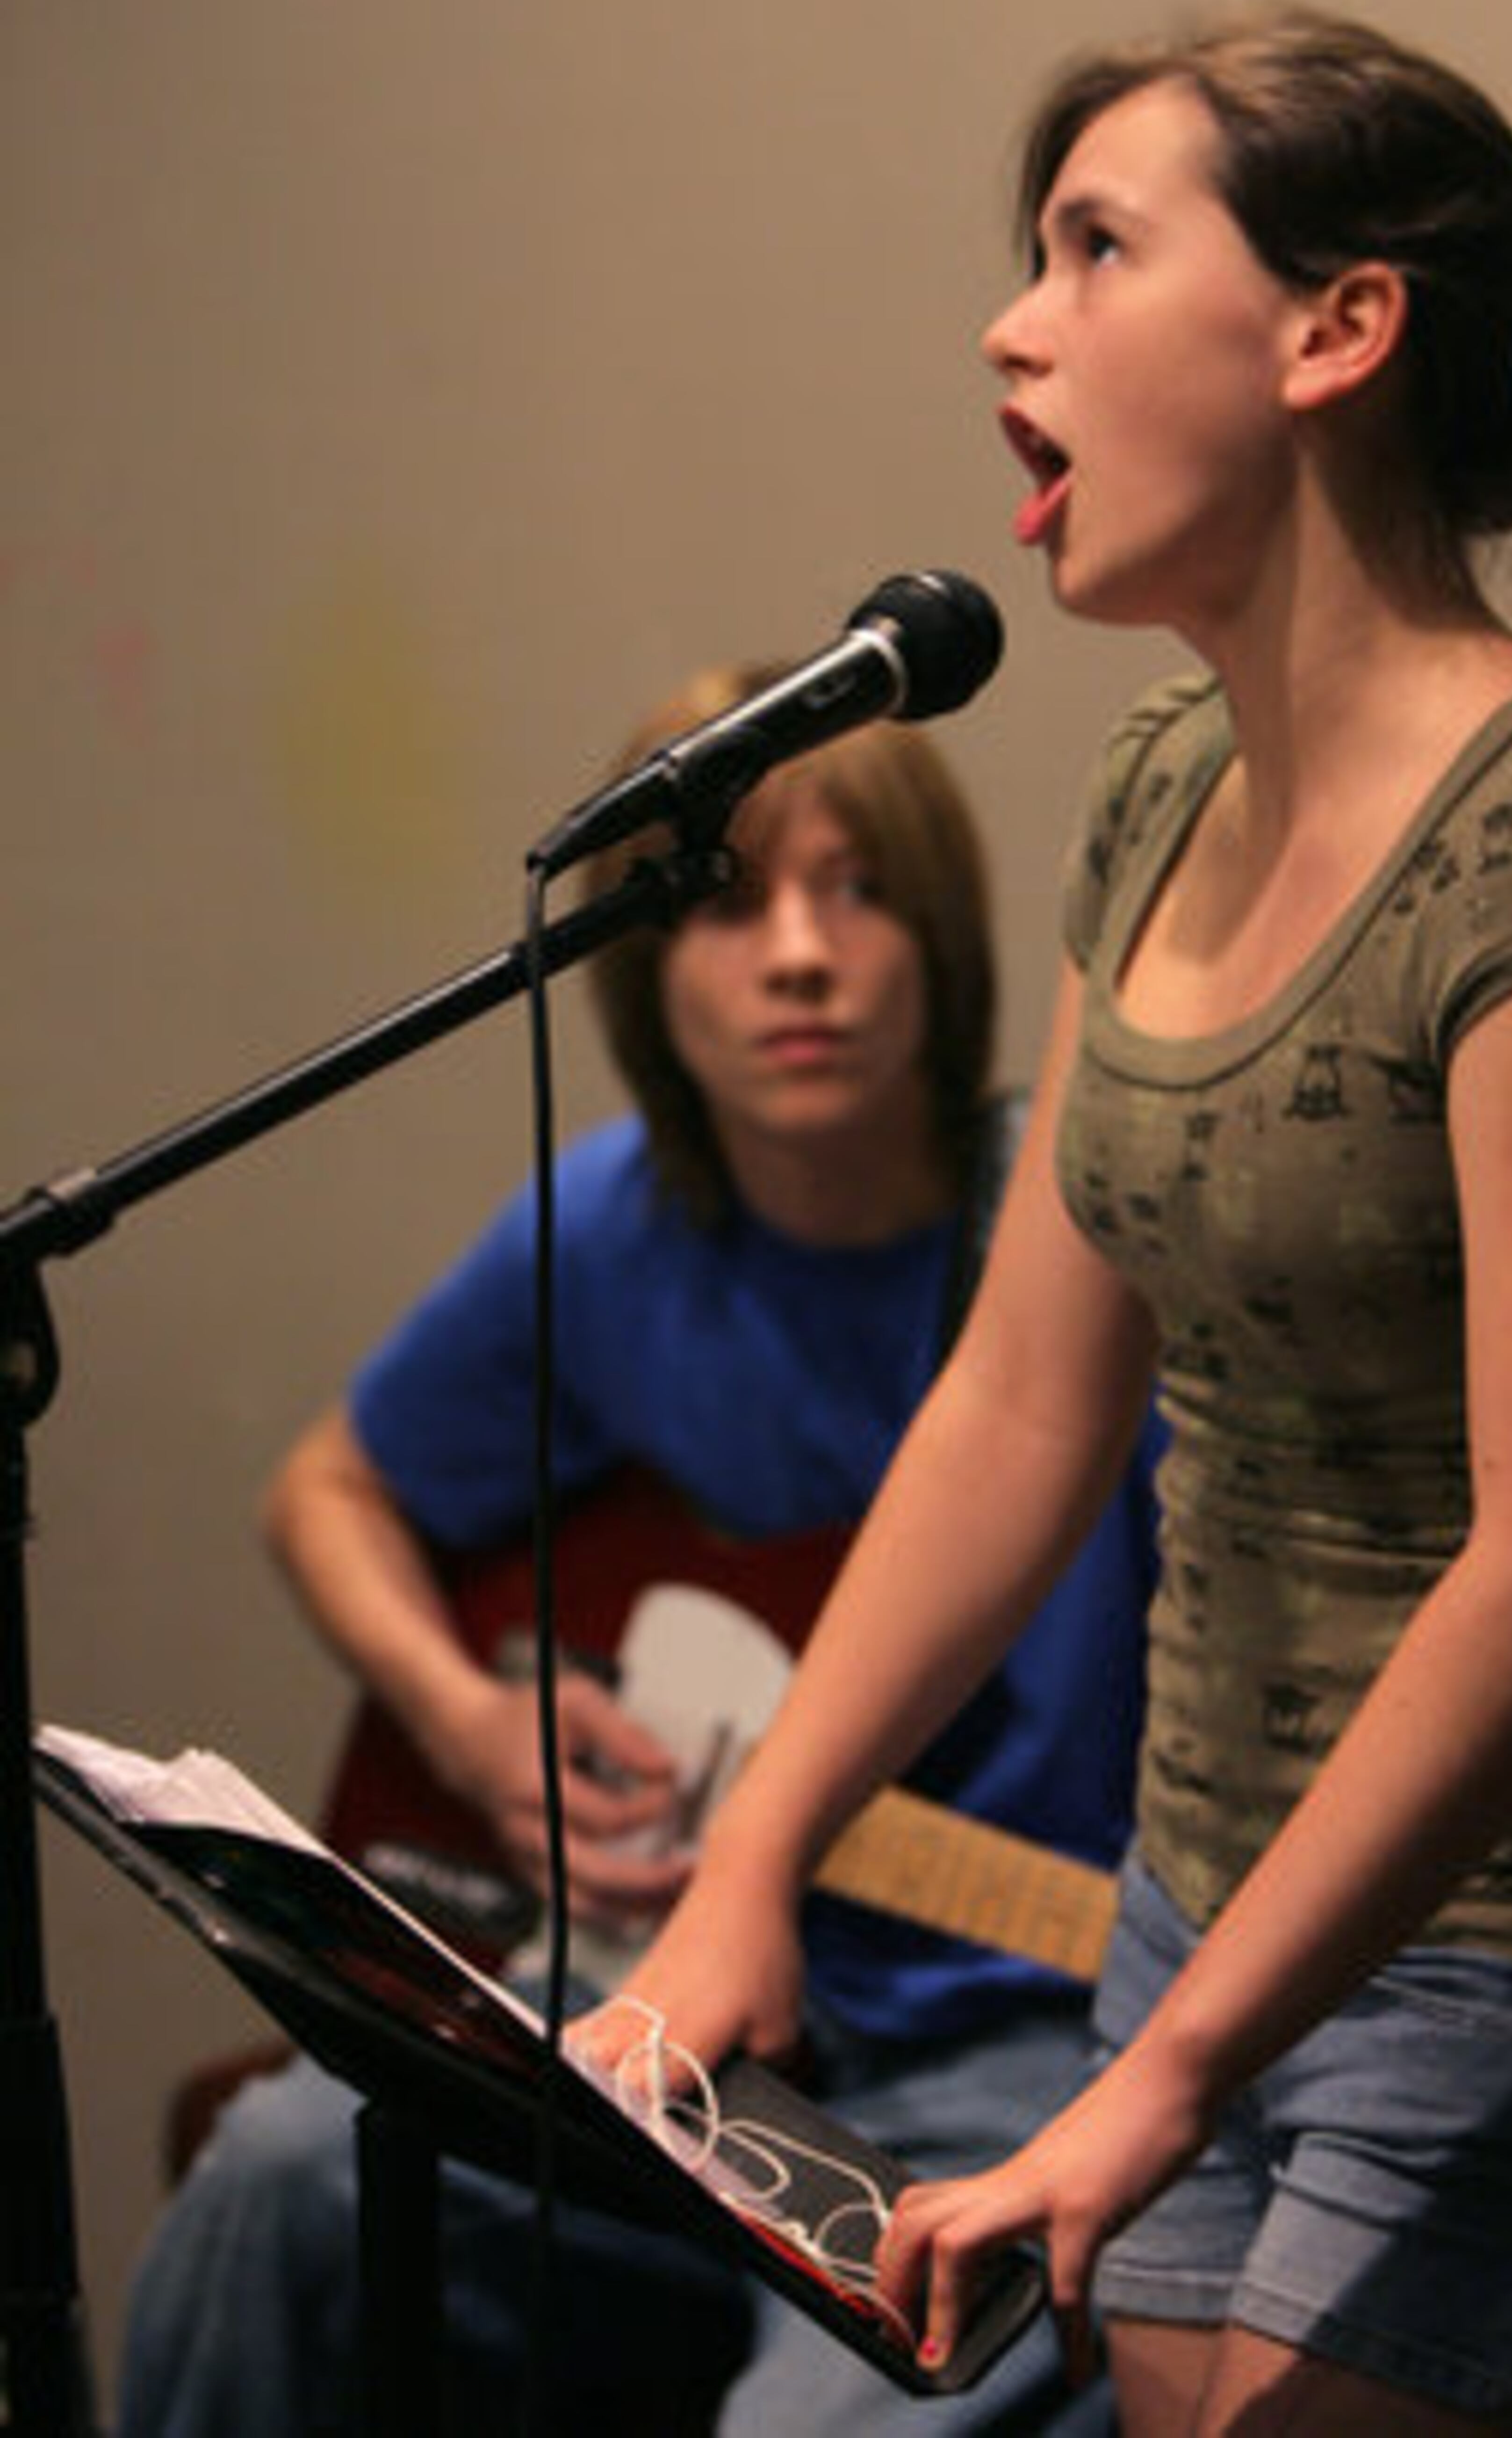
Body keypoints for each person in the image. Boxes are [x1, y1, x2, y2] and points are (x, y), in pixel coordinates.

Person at [574, 2, 1512, 2435]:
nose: (1013, 330)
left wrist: (1147, 2089)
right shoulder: (1156, 783)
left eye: (1095, 250)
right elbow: (1027, 1398)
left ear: (1340, 332)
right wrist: (758, 1859)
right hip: (1195, 1915)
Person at [115, 660, 1163, 2437]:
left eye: (862, 892)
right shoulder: (610, 1231)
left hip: (1016, 2039)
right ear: (643, 970)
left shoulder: (1075, 1256)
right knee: (271, 2183)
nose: (802, 958)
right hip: (662, 1998)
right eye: (733, 903)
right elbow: (331, 1494)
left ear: (952, 943)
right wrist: (472, 1736)